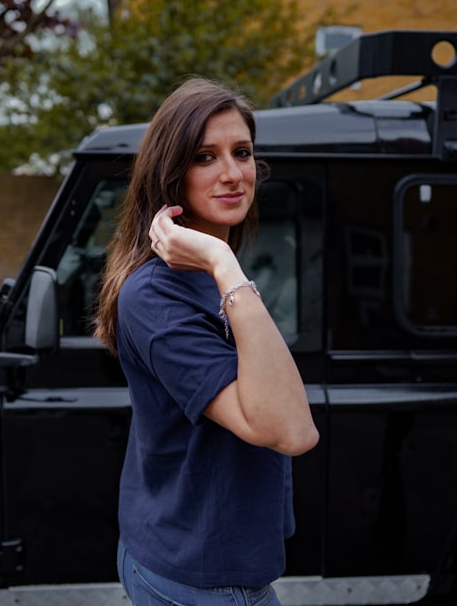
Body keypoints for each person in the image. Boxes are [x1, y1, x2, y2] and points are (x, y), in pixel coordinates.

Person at [94, 77, 319, 605]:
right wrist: (224, 264)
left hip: (198, 553)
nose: (233, 173)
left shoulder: (208, 276)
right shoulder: (156, 294)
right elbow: (291, 430)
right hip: (203, 577)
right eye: (205, 157)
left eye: (242, 152)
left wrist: (223, 269)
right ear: (170, 174)